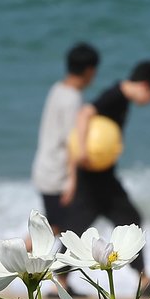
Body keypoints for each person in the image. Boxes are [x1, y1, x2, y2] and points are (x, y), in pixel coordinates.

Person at [63, 60, 150, 297]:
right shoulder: (114, 96)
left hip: (102, 174)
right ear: (145, 86)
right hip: (93, 176)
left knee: (114, 221)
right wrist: (82, 150)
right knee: (81, 227)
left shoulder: (121, 99)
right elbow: (84, 113)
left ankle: (143, 279)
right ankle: (60, 281)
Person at [32, 42, 99, 235]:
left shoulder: (58, 89)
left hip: (44, 168)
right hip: (56, 175)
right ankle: (10, 258)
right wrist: (72, 183)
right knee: (56, 229)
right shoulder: (72, 98)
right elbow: (73, 143)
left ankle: (13, 257)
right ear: (89, 70)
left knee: (54, 228)